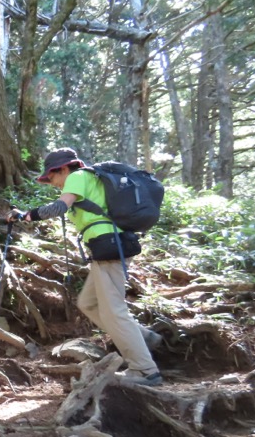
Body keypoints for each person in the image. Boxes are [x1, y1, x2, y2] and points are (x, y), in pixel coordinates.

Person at [11, 148, 163, 386]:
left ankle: (145, 370)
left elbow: (59, 208)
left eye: (51, 177)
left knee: (114, 310)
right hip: (108, 245)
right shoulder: (89, 180)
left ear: (63, 169)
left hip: (110, 245)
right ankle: (144, 338)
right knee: (88, 303)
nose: (51, 183)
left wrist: (26, 216)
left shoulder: (78, 177)